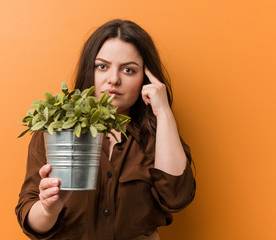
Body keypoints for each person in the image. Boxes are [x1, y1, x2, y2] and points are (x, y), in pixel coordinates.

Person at [15, 19, 196, 240]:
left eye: (129, 70)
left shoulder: (156, 136)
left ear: (146, 78)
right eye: (102, 66)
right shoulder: (55, 133)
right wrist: (47, 209)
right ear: (89, 70)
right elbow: (30, 220)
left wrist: (164, 111)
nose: (113, 80)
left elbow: (176, 197)